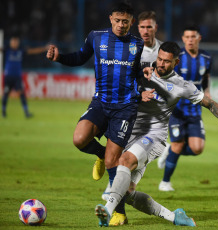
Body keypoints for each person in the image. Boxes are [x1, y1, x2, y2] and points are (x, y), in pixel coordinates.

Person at [94, 41, 218, 227]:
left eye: (166, 62)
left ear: (176, 63)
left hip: (153, 137)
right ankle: (175, 217)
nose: (161, 64)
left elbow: (210, 103)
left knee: (125, 161)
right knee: (128, 193)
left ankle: (107, 210)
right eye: (159, 59)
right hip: (128, 135)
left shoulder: (181, 85)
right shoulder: (141, 73)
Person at [46, 1, 145, 222]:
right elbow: (80, 58)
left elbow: (140, 73)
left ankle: (119, 212)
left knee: (113, 163)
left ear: (132, 22)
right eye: (118, 20)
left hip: (125, 108)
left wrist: (145, 80)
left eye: (125, 22)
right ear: (111, 18)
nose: (121, 25)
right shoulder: (96, 37)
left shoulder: (138, 45)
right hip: (100, 102)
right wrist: (59, 58)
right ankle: (100, 154)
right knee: (79, 139)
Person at [95, 10, 163, 226]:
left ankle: (117, 203)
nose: (145, 31)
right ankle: (119, 213)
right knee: (116, 161)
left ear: (155, 28)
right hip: (127, 109)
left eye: (149, 27)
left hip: (148, 121)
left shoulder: (162, 54)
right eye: (142, 27)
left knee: (126, 178)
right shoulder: (130, 46)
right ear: (137, 27)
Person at [157, 25, 212, 192]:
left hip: (195, 111)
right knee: (178, 145)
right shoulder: (177, 57)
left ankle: (169, 150)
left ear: (198, 38)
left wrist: (207, 93)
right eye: (187, 37)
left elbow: (205, 79)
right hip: (177, 110)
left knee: (197, 149)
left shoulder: (206, 57)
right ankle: (165, 182)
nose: (190, 40)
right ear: (183, 38)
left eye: (193, 37)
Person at [1, 36, 48, 118]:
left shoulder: (21, 51)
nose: (15, 43)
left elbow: (32, 51)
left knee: (21, 93)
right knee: (6, 94)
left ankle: (26, 112)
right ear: (10, 43)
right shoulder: (7, 50)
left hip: (17, 77)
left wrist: (44, 48)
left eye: (16, 42)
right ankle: (3, 111)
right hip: (8, 76)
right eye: (13, 42)